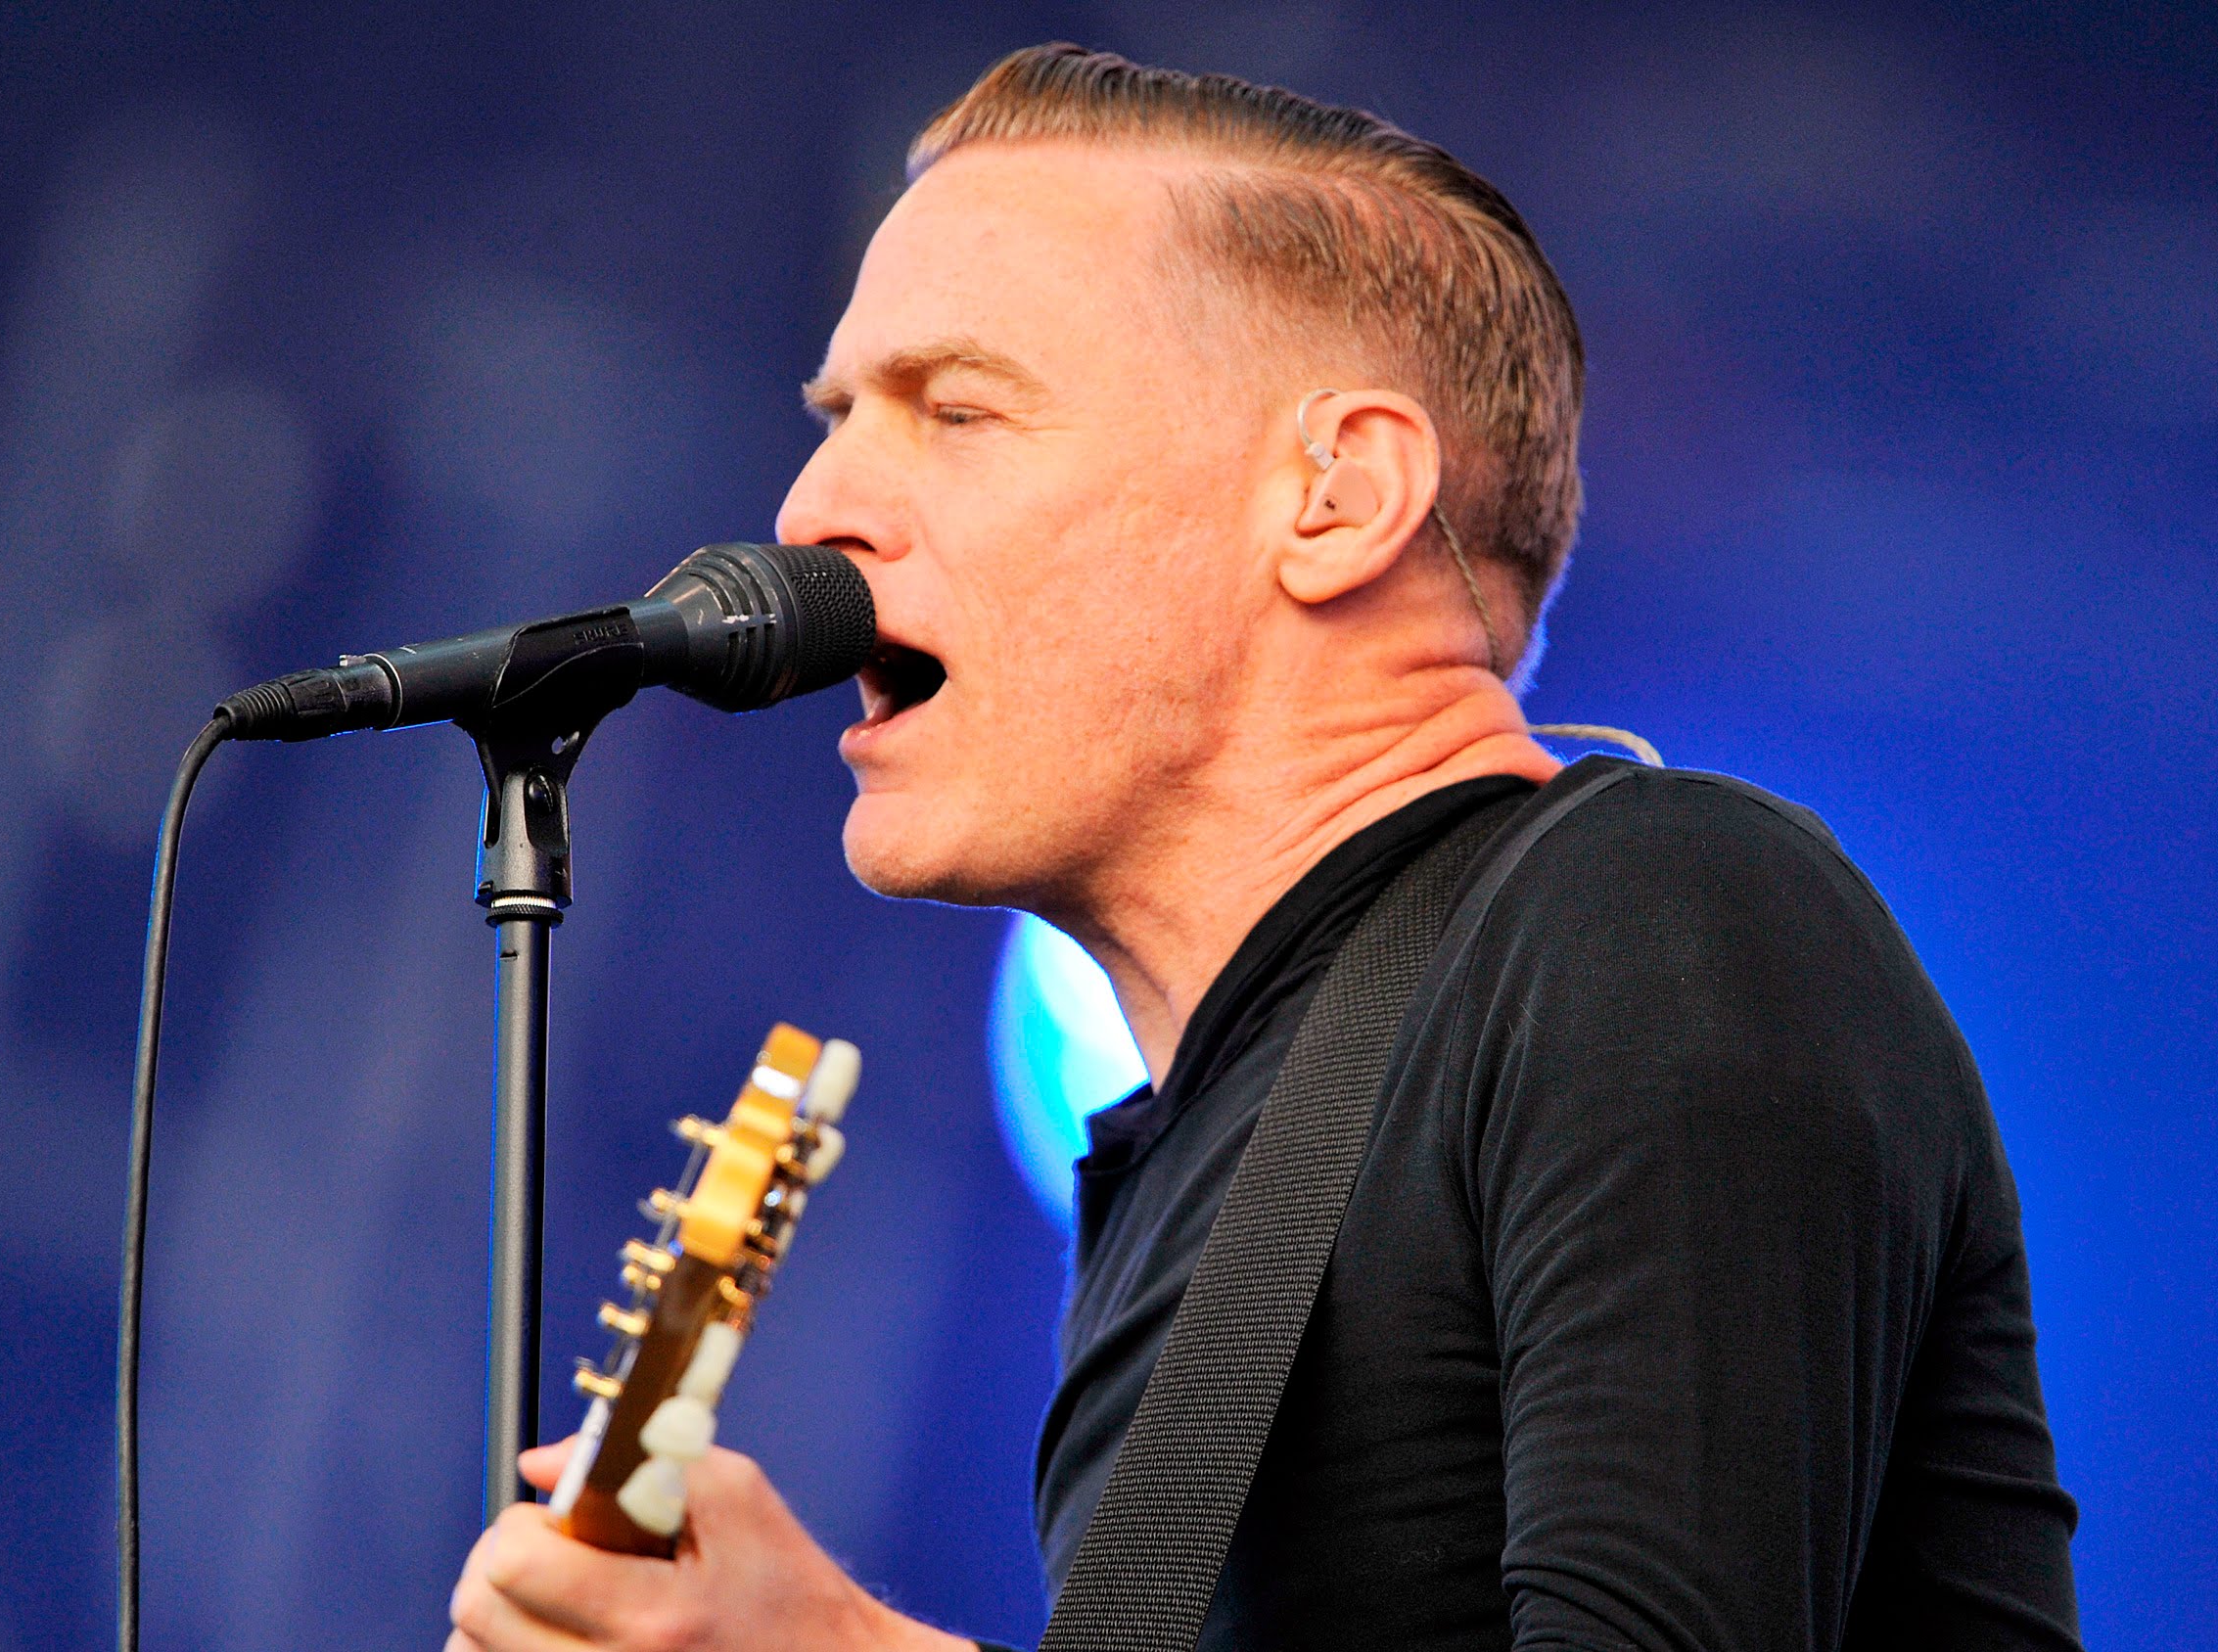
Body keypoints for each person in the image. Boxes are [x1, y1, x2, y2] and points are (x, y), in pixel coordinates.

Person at [445, 43, 2081, 1652]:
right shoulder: (1183, 1167)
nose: (810, 510)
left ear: (1338, 497)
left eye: (958, 408)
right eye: (836, 414)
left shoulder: (1660, 913)